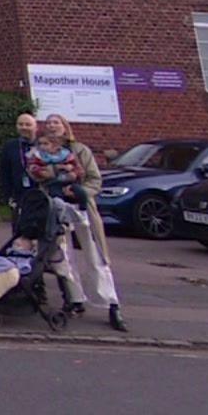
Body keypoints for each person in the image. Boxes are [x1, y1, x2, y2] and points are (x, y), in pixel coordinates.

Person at [39, 114, 125, 331]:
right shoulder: (41, 152)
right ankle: (75, 299)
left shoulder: (80, 150)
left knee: (95, 256)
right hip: (57, 209)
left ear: (65, 127)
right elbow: (38, 178)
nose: (52, 126)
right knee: (63, 256)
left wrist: (78, 193)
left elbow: (95, 180)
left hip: (82, 209)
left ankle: (111, 304)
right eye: (48, 123)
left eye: (56, 123)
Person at [0, 112, 39, 214]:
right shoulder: (10, 146)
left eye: (28, 125)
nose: (24, 127)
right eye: (20, 124)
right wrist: (8, 196)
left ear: (36, 127)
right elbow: (4, 172)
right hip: (18, 195)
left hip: (39, 192)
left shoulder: (43, 145)